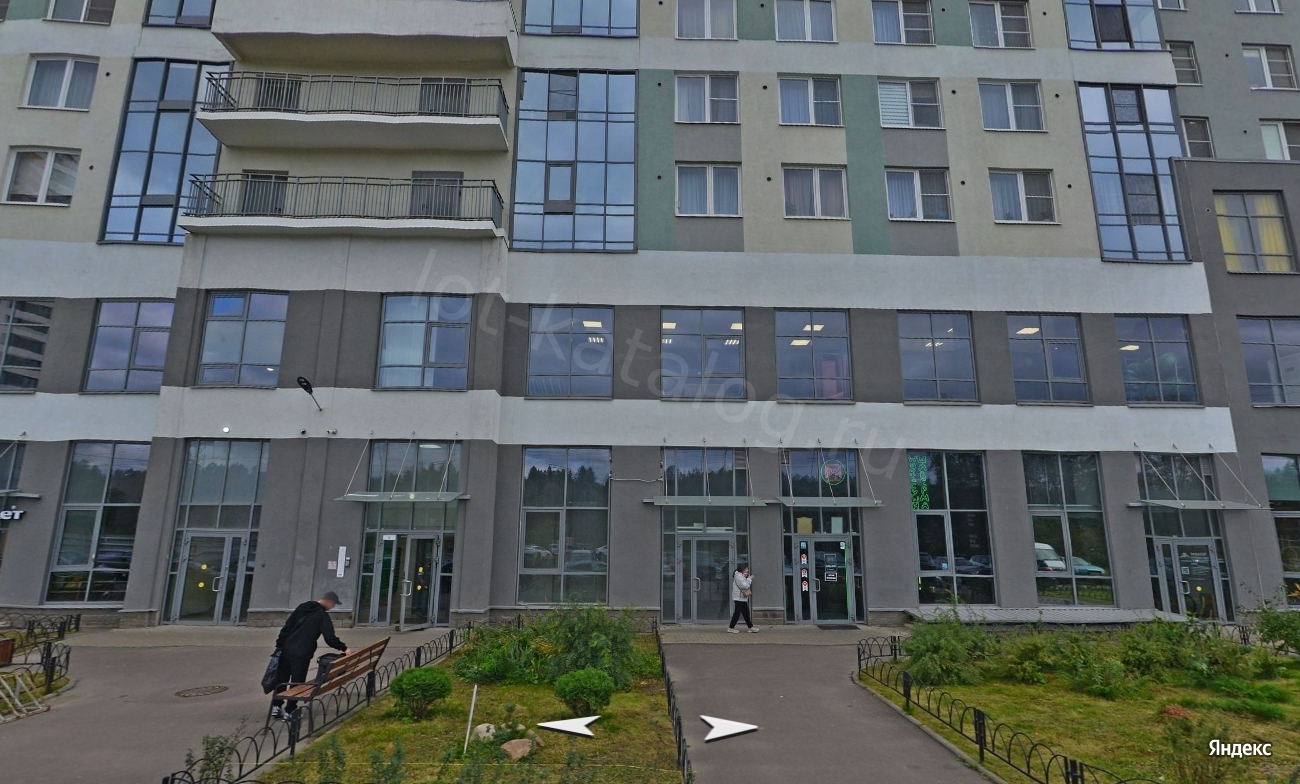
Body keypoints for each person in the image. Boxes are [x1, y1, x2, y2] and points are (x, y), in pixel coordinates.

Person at [270, 591, 349, 720]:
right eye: (333, 604)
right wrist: (344, 648)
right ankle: (290, 711)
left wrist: (280, 645)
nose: (332, 607)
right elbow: (330, 638)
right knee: (297, 681)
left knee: (282, 678)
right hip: (302, 653)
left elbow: (287, 627)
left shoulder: (302, 607)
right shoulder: (322, 615)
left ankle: (276, 706)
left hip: (287, 649)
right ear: (329, 601)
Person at [728, 564, 759, 633]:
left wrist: (747, 577)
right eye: (746, 569)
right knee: (737, 613)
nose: (747, 570)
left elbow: (744, 583)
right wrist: (749, 579)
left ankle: (750, 627)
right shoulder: (738, 576)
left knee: (746, 612)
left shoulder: (741, 575)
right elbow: (744, 586)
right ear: (742, 570)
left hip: (741, 598)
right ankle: (731, 627)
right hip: (739, 598)